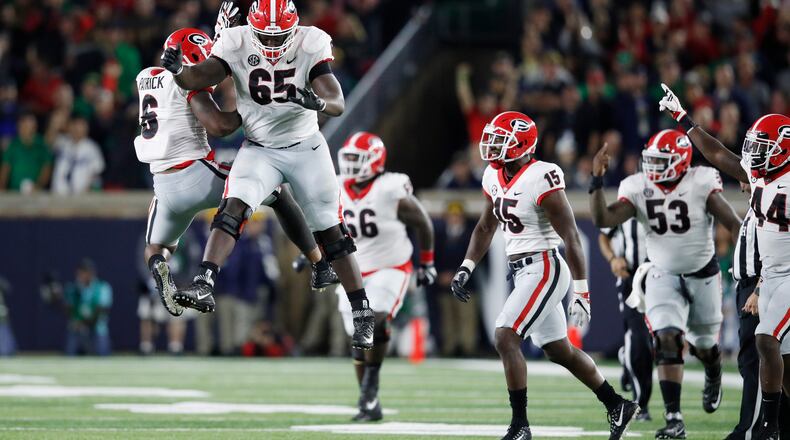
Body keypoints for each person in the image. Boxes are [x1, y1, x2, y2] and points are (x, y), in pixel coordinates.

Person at [162, 0, 375, 350]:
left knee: (330, 230)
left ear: (294, 26)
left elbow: (337, 99)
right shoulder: (235, 40)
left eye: (280, 38)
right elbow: (202, 76)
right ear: (252, 27)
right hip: (260, 146)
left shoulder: (311, 41)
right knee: (233, 206)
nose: (273, 45)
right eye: (265, 37)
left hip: (306, 146)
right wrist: (179, 71)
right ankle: (204, 281)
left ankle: (362, 312)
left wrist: (319, 104)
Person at [451, 111, 639, 440]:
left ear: (522, 144)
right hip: (522, 272)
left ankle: (520, 425)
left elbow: (572, 236)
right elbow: (485, 226)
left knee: (505, 336)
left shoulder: (542, 175)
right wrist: (466, 266)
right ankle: (617, 405)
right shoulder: (493, 175)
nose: (492, 146)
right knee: (558, 350)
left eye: (501, 140)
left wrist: (581, 292)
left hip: (544, 267)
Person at [136, 23, 336, 318]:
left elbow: (194, 67)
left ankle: (160, 268)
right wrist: (256, 105)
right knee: (276, 193)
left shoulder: (146, 78)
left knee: (156, 247)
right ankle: (319, 262)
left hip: (162, 187)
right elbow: (220, 125)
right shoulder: (187, 83)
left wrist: (222, 33)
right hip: (196, 172)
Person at [589, 128, 741, 439]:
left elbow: (735, 226)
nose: (654, 168)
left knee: (704, 346)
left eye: (662, 161)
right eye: (652, 160)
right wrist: (596, 181)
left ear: (681, 161)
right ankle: (674, 417)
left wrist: (745, 269)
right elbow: (604, 220)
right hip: (660, 272)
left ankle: (713, 373)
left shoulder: (700, 183)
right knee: (667, 338)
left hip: (703, 273)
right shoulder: (638, 187)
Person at [658, 84, 790, 440]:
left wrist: (763, 284)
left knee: (764, 346)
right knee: (776, 360)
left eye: (764, 148)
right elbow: (718, 153)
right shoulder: (762, 177)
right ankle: (771, 427)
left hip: (780, 280)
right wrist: (682, 117)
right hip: (766, 280)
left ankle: (763, 428)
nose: (754, 156)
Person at [334, 131, 436, 421]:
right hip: (351, 270)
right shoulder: (337, 187)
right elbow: (326, 225)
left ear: (375, 160)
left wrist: (426, 262)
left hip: (391, 266)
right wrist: (312, 256)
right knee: (358, 334)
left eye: (357, 159)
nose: (351, 165)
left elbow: (423, 223)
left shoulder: (389, 187)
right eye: (349, 158)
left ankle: (371, 384)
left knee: (374, 318)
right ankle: (369, 401)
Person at [598, 218, 653, 420]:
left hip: (664, 277)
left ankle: (673, 412)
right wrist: (613, 259)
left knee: (664, 341)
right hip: (632, 279)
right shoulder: (626, 200)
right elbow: (604, 235)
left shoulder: (668, 197)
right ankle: (641, 403)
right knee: (639, 339)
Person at [62, 259, 113, 356]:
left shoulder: (102, 287)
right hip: (77, 331)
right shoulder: (73, 289)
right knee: (71, 343)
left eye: (83, 273)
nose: (80, 276)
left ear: (90, 273)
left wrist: (82, 323)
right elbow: (69, 310)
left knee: (101, 351)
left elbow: (100, 312)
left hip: (96, 330)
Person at [51, 115, 105, 194]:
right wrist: (54, 126)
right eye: (75, 125)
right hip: (58, 195)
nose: (77, 129)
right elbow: (48, 143)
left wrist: (90, 191)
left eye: (81, 126)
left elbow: (97, 174)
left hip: (80, 198)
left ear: (86, 128)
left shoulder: (92, 148)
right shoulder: (61, 142)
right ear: (70, 126)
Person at [0, 113, 52, 192]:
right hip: (13, 192)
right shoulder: (13, 145)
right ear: (19, 127)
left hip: (35, 193)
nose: (28, 130)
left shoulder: (41, 145)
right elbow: (5, 168)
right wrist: (2, 188)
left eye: (31, 127)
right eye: (25, 126)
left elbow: (47, 168)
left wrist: (38, 186)